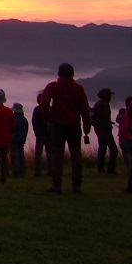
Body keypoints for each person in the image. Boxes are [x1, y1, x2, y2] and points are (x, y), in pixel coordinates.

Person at [39, 62, 92, 194]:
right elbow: (84, 109)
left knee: (57, 156)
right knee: (76, 157)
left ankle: (57, 186)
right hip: (74, 126)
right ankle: (77, 186)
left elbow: (43, 103)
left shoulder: (53, 86)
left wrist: (48, 117)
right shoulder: (79, 89)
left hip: (58, 126)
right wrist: (87, 125)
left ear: (59, 73)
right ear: (72, 74)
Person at [92, 88, 119, 175]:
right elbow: (103, 118)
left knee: (102, 149)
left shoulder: (98, 103)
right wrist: (108, 122)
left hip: (99, 129)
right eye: (110, 94)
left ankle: (101, 168)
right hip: (105, 130)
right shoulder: (104, 104)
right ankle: (111, 170)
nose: (111, 96)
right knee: (114, 150)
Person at [31, 92, 50, 178]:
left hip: (40, 135)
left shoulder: (37, 109)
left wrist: (36, 132)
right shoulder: (50, 108)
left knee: (38, 154)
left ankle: (38, 171)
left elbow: (34, 122)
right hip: (50, 134)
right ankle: (51, 170)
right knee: (50, 153)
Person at [10, 103, 29, 179]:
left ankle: (16, 172)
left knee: (15, 156)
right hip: (22, 140)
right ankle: (22, 172)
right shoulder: (24, 120)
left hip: (14, 140)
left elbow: (11, 129)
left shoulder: (14, 119)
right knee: (21, 156)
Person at [118, 96, 132, 171]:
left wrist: (121, 137)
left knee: (127, 153)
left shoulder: (125, 113)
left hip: (127, 137)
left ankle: (131, 169)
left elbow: (124, 126)